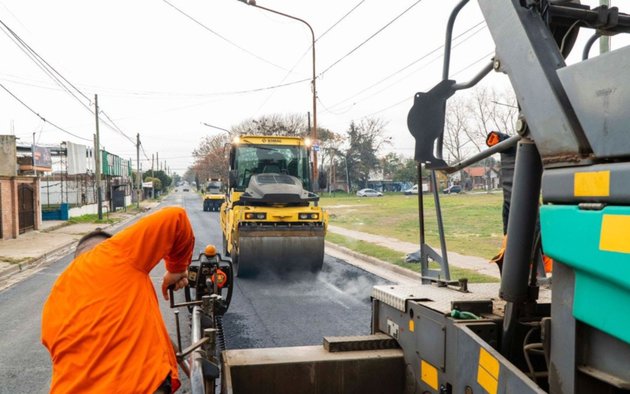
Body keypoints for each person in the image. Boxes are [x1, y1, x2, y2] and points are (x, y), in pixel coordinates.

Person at [41, 206, 195, 393]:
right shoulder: (115, 252)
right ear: (107, 244)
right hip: (137, 387)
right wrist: (176, 269)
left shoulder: (54, 298)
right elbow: (175, 217)